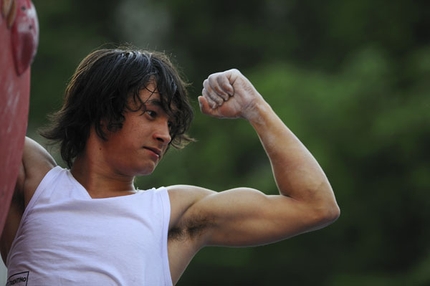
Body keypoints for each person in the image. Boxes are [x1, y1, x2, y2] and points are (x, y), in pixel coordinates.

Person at [0, 47, 340, 285]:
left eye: (169, 122)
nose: (164, 134)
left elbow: (313, 206)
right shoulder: (33, 183)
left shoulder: (172, 214)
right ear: (103, 110)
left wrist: (255, 107)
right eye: (151, 114)